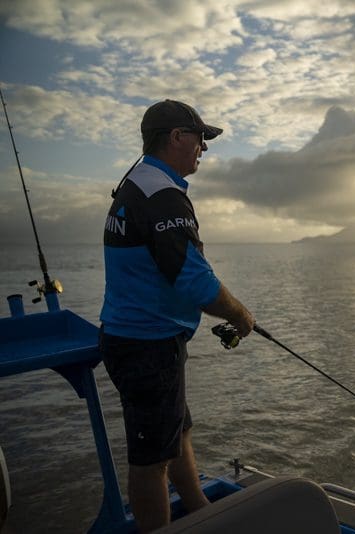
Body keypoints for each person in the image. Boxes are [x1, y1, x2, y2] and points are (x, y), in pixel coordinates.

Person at [99, 99, 254, 532]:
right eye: (200, 138)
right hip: (146, 347)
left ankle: (199, 508)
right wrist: (241, 314)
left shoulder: (139, 182)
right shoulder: (162, 196)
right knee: (150, 462)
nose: (203, 148)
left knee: (177, 431)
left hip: (146, 342)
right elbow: (195, 282)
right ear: (176, 138)